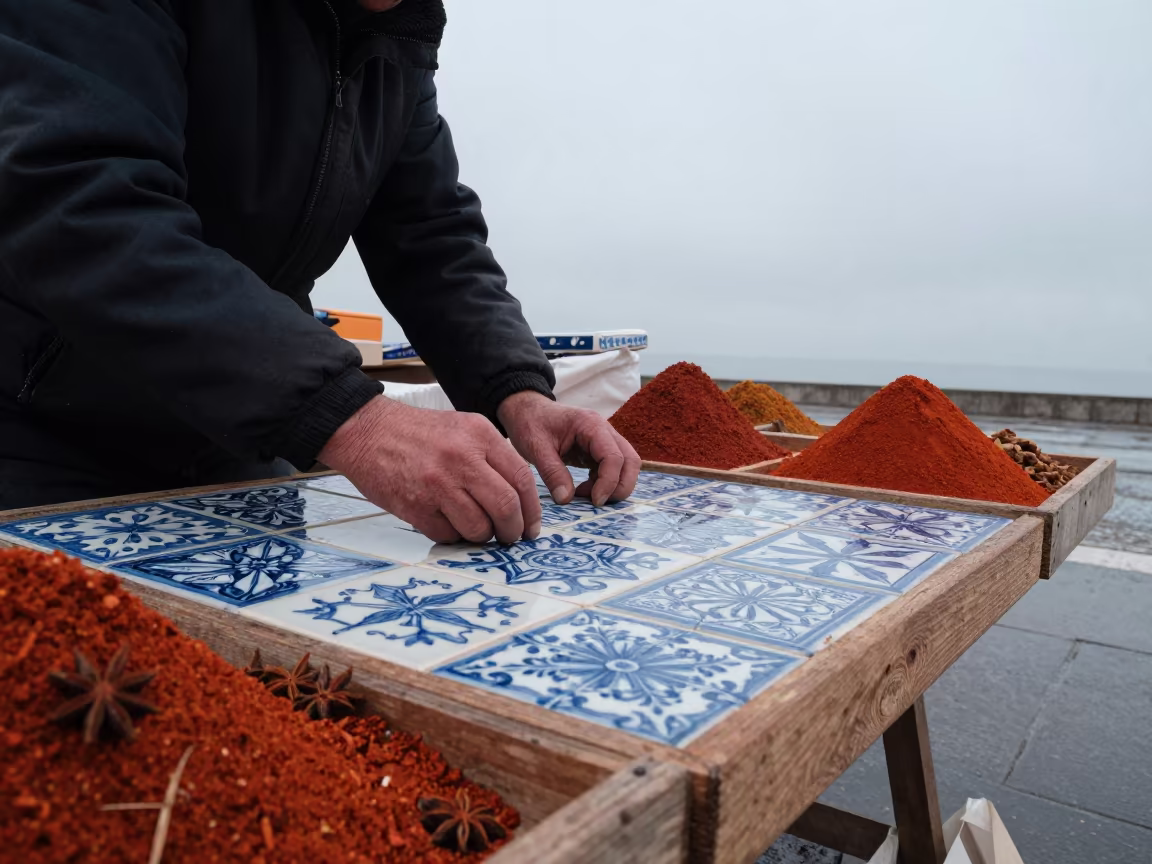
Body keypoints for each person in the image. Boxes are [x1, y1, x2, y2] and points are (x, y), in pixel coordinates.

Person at [0, 0, 640, 542]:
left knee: (266, 647)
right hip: (40, 433)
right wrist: (351, 420)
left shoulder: (396, 38)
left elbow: (430, 235)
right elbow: (80, 204)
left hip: (235, 433)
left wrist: (517, 393)